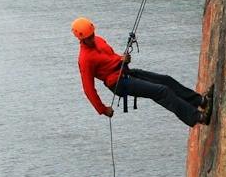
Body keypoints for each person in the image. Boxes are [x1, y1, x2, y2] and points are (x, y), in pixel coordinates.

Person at [72, 17, 210, 127]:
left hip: (125, 72)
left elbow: (109, 59)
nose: (92, 39)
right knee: (162, 91)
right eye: (88, 38)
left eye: (92, 35)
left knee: (166, 80)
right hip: (119, 83)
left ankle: (201, 101)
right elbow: (88, 89)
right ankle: (198, 117)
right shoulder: (85, 59)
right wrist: (102, 109)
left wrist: (122, 58)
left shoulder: (99, 40)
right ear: (81, 39)